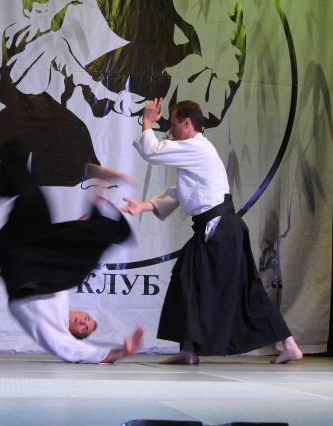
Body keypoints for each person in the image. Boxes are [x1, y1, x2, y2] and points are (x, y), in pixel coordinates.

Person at [121, 98, 302, 365]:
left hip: (219, 229)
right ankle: (189, 350)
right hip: (220, 229)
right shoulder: (197, 153)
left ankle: (288, 345)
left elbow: (153, 151)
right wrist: (144, 206)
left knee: (241, 289)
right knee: (188, 280)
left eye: (173, 124)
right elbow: (180, 192)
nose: (170, 130)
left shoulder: (197, 147)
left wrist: (147, 121)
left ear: (187, 123)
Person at [0, 138, 144, 364]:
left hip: (24, 276)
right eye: (86, 319)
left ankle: (99, 202)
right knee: (32, 197)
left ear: (73, 334)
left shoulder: (56, 333)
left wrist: (123, 353)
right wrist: (71, 236)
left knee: (86, 259)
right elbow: (61, 256)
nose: (82, 322)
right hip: (26, 251)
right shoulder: (61, 296)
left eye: (83, 328)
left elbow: (79, 353)